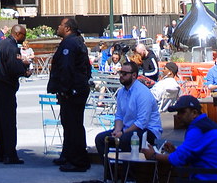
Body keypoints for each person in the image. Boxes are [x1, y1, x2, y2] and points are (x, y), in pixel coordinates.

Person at [95, 59, 162, 163]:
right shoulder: (121, 92)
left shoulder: (142, 93)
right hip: (128, 129)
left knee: (126, 139)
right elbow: (119, 116)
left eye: (124, 73)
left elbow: (142, 122)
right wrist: (117, 130)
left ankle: (128, 171)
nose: (121, 76)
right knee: (100, 139)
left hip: (148, 131)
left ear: (134, 75)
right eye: (120, 73)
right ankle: (110, 170)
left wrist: (123, 133)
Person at [47, 16, 91, 173]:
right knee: (68, 123)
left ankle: (77, 161)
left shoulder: (70, 43)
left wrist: (65, 89)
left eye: (60, 25)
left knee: (73, 125)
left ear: (67, 28)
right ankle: (67, 154)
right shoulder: (76, 41)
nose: (58, 27)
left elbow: (66, 68)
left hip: (72, 91)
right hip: (77, 88)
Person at [0, 24, 31, 164]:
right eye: (24, 35)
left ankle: (0, 153)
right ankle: (9, 154)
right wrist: (25, 70)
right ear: (17, 34)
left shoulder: (0, 45)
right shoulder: (13, 47)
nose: (24, 38)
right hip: (5, 86)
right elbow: (13, 67)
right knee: (8, 121)